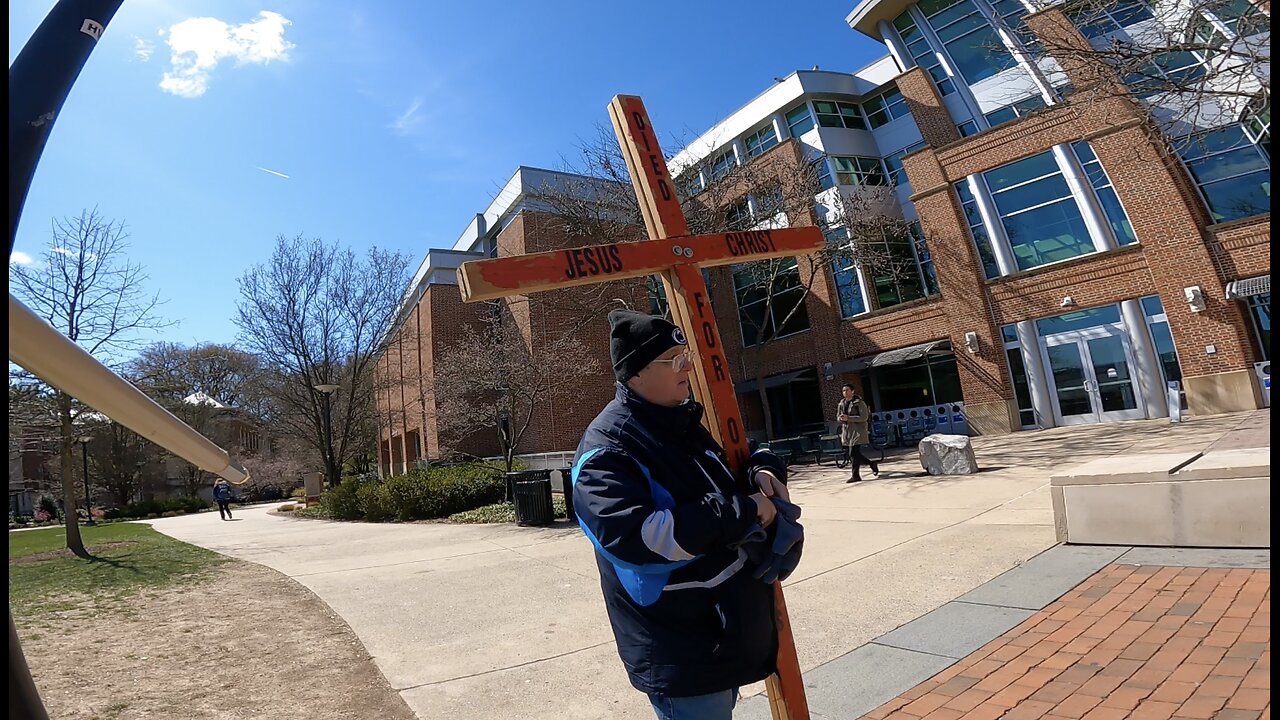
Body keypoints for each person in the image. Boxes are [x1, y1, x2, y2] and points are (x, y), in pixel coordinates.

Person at [571, 309, 798, 720]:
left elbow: (732, 460)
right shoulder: (607, 450)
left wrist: (763, 470)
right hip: (680, 645)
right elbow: (639, 539)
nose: (687, 367)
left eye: (686, 355)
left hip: (719, 634)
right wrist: (746, 511)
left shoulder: (681, 419)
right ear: (636, 373)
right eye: (674, 360)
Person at [836, 383, 879, 483]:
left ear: (853, 391)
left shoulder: (859, 403)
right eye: (843, 391)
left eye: (847, 390)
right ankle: (871, 464)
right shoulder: (841, 403)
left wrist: (849, 418)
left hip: (858, 431)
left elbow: (864, 417)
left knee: (853, 453)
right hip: (847, 432)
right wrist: (841, 418)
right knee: (853, 454)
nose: (845, 392)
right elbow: (838, 416)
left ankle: (855, 476)